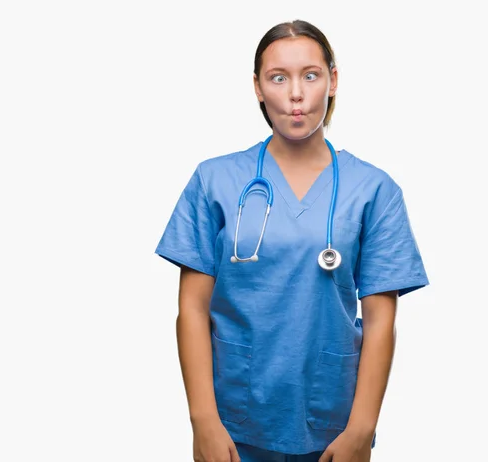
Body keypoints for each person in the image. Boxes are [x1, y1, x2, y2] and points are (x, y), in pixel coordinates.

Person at [155, 19, 429, 462]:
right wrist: (202, 419)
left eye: (311, 75)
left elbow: (381, 321)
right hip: (234, 422)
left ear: (333, 81)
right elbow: (191, 309)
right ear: (259, 88)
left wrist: (361, 428)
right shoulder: (215, 180)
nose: (296, 94)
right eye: (278, 78)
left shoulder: (375, 190)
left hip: (332, 426)